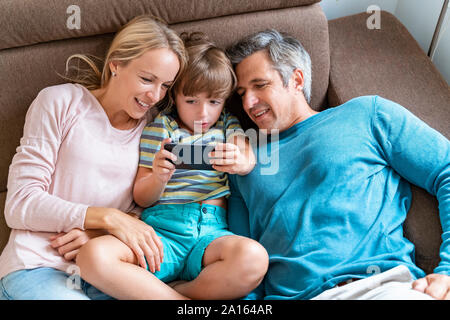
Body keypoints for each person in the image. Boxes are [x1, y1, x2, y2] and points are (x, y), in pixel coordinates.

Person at [225, 29, 450, 300]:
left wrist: (447, 269)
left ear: (296, 80)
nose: (248, 103)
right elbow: (242, 263)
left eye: (260, 85)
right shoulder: (241, 164)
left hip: (380, 288)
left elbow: (445, 169)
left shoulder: (366, 114)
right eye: (241, 93)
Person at [0, 15, 188, 300]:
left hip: (108, 272)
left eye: (165, 86)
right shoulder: (60, 102)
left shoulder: (155, 128)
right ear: (116, 64)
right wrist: (108, 218)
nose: (155, 95)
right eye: (147, 79)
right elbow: (20, 203)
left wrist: (97, 235)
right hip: (37, 267)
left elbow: (143, 213)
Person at [75, 33, 268, 300]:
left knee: (254, 258)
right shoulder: (160, 129)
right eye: (191, 101)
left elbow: (247, 156)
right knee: (92, 256)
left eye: (214, 102)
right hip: (161, 234)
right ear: (175, 95)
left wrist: (240, 160)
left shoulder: (226, 123)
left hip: (210, 235)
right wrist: (158, 176)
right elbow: (141, 196)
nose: (203, 113)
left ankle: (174, 292)